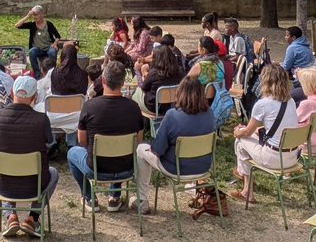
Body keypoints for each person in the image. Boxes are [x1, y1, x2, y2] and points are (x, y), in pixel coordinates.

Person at [0, 75, 58, 238]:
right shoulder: (41, 120)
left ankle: (10, 216)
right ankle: (32, 218)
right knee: (53, 173)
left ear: (12, 93)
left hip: (4, 183)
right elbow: (49, 142)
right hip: (35, 185)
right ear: (34, 97)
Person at [68, 60, 145, 212]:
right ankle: (114, 196)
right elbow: (139, 140)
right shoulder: (134, 108)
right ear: (123, 83)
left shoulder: (89, 107)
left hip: (96, 169)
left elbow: (82, 141)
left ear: (103, 80)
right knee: (120, 152)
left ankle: (89, 197)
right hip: (127, 168)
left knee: (72, 153)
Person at [133, 77, 216, 214]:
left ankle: (142, 200)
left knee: (141, 149)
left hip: (176, 168)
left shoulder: (172, 115)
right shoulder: (210, 113)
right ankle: (195, 189)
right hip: (203, 167)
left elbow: (158, 149)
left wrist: (153, 144)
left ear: (180, 93)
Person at [230, 65, 300, 202]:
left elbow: (247, 132)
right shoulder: (290, 101)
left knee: (240, 141)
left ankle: (246, 188)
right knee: (251, 136)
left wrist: (238, 132)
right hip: (292, 157)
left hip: (273, 159)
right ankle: (242, 172)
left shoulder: (262, 104)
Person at [186, 36, 234, 129]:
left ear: (203, 49)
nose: (197, 48)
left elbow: (185, 83)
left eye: (198, 46)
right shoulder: (219, 62)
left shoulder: (200, 65)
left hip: (199, 99)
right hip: (215, 99)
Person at [138, 43, 186, 113]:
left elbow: (144, 88)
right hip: (174, 105)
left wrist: (143, 77)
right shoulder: (180, 71)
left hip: (154, 107)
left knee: (136, 93)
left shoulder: (154, 73)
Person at [16, 5, 61, 77]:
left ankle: (52, 73)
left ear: (41, 15)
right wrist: (28, 16)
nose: (34, 17)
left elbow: (58, 36)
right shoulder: (32, 25)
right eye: (33, 15)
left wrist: (55, 43)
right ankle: (37, 74)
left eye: (36, 15)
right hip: (38, 49)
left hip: (48, 47)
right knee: (32, 52)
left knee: (53, 52)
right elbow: (17, 25)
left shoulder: (49, 24)